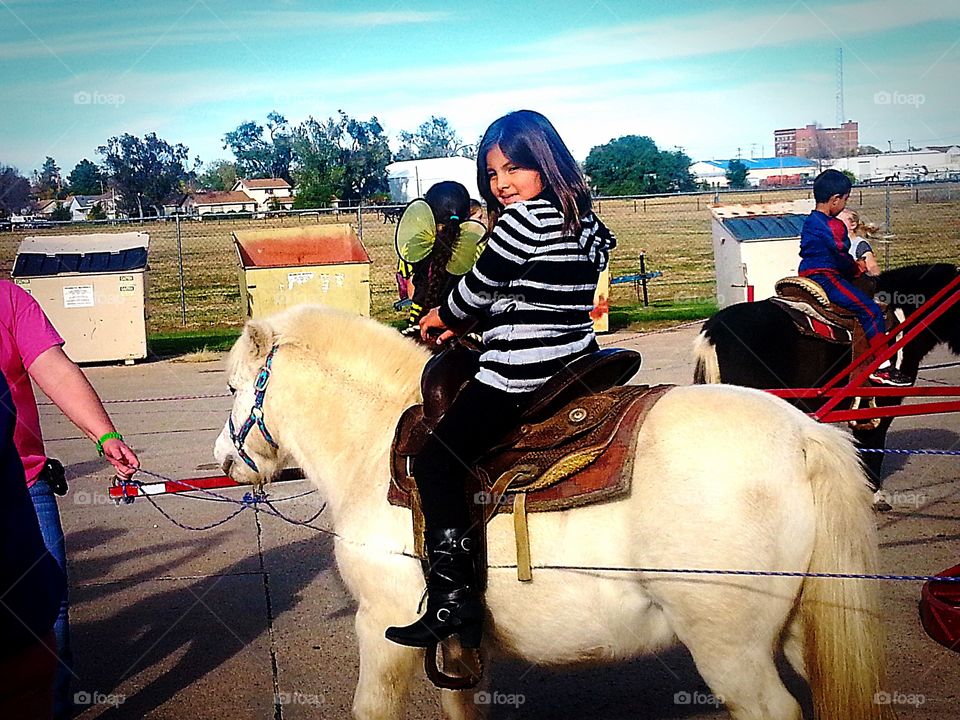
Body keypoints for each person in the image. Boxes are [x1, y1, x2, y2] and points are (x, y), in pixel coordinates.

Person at [385, 109, 615, 648]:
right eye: (492, 175)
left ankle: (452, 601)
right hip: (574, 357)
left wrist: (442, 317)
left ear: (547, 164)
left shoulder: (521, 221)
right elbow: (538, 292)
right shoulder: (584, 220)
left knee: (438, 461)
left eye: (515, 169)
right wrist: (472, 323)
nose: (503, 184)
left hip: (521, 372)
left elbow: (479, 288)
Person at [0, 278, 140, 719]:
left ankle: (52, 706)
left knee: (46, 598)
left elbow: (52, 367)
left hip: (20, 482)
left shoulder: (7, 298)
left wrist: (105, 434)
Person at [798, 170, 911, 387]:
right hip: (827, 276)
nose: (844, 204)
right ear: (835, 200)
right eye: (845, 199)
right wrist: (857, 268)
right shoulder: (834, 226)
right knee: (870, 310)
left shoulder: (810, 221)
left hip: (806, 272)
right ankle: (882, 366)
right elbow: (840, 255)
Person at [0, 372, 66, 720]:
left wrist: (105, 434)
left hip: (27, 478)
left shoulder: (13, 313)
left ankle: (59, 703)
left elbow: (52, 366)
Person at [395, 181, 486, 334]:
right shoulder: (477, 246)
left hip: (420, 324)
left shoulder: (414, 246)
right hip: (462, 326)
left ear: (426, 214)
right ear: (467, 214)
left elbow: (410, 286)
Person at [838, 208, 882, 276]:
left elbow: (872, 266)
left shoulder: (859, 244)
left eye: (839, 221)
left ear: (853, 225)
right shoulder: (833, 242)